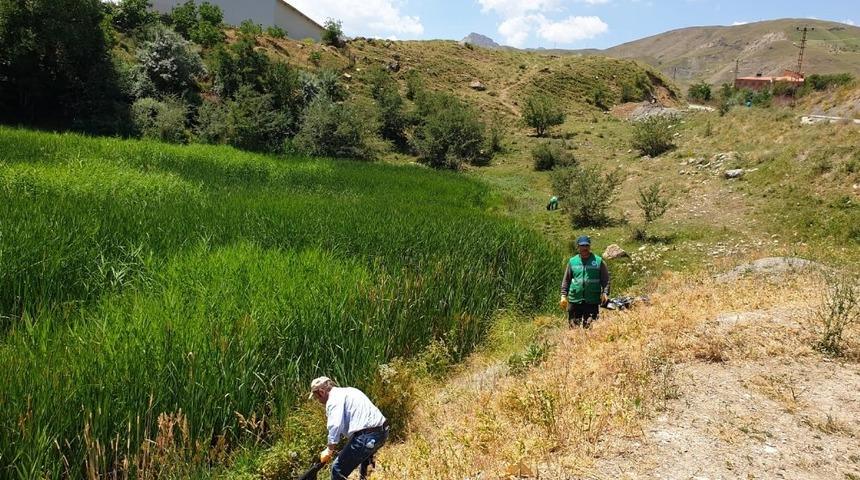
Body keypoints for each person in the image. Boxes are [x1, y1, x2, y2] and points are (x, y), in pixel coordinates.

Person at [310, 377, 389, 480]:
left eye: (317, 397)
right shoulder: (350, 390)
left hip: (367, 436)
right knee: (365, 469)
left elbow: (335, 425)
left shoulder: (333, 399)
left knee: (337, 469)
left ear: (321, 392)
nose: (318, 401)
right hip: (382, 431)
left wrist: (329, 449)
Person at [559, 235, 610, 328]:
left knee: (590, 329)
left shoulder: (598, 261)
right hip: (575, 300)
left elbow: (605, 280)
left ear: (590, 246)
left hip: (592, 301)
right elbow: (566, 280)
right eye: (582, 246)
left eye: (587, 245)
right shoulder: (572, 261)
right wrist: (563, 295)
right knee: (573, 328)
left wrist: (605, 293)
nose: (585, 248)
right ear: (578, 247)